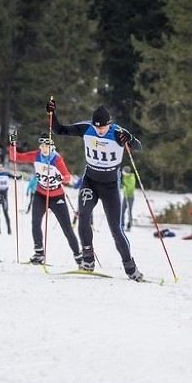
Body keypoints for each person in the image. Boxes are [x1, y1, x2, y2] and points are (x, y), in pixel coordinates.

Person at [47, 98, 145, 281]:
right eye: (97, 127)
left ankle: (130, 267)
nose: (100, 131)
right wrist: (52, 115)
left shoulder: (118, 133)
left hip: (110, 187)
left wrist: (130, 140)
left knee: (116, 229)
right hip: (90, 181)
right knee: (83, 217)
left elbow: (138, 147)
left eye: (103, 127)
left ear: (109, 124)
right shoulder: (86, 129)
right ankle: (88, 259)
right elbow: (59, 130)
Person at [10, 132, 82, 265]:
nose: (44, 148)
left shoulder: (57, 159)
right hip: (40, 195)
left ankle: (79, 257)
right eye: (42, 145)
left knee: (66, 228)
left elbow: (67, 177)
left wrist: (61, 178)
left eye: (47, 145)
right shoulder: (36, 155)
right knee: (35, 223)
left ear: (52, 147)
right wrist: (12, 145)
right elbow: (15, 157)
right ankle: (39, 253)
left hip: (57, 197)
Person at [0, 163, 21, 234]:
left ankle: (9, 230)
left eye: (2, 167)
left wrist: (21, 176)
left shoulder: (7, 174)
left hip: (4, 197)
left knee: (6, 213)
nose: (0, 169)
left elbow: (16, 178)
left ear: (3, 168)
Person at [120, 166, 136, 231]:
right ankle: (122, 225)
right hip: (125, 196)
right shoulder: (125, 177)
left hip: (130, 197)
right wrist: (121, 186)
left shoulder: (132, 178)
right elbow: (123, 184)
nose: (123, 173)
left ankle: (129, 225)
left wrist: (126, 186)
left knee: (129, 211)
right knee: (122, 210)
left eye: (124, 172)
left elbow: (131, 187)